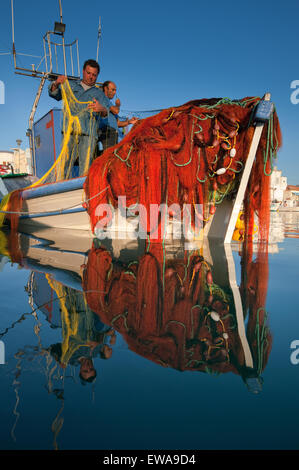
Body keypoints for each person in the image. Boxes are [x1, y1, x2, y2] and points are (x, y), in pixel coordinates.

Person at [48, 59, 109, 176]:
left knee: (86, 166)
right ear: (83, 71)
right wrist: (56, 83)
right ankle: (62, 190)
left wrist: (101, 108)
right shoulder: (70, 85)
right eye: (88, 73)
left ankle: (83, 191)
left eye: (94, 75)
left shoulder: (100, 94)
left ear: (97, 76)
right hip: (69, 132)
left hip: (88, 135)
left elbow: (105, 113)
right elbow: (54, 94)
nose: (91, 77)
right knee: (64, 164)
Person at [98, 80, 138, 151]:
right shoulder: (104, 98)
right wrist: (118, 105)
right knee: (109, 156)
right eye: (113, 90)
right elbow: (116, 111)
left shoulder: (109, 103)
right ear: (105, 89)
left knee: (111, 155)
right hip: (107, 131)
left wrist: (129, 122)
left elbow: (118, 123)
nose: (114, 92)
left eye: (115, 90)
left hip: (112, 133)